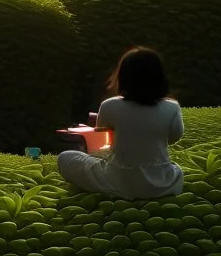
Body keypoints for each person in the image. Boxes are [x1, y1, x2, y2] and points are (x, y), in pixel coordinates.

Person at [57, 46, 184, 199]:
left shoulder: (110, 105)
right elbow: (174, 137)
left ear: (123, 77)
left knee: (65, 157)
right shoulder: (172, 107)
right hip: (161, 182)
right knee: (177, 171)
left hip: (118, 180)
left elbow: (102, 135)